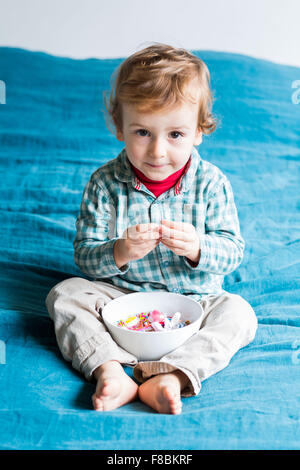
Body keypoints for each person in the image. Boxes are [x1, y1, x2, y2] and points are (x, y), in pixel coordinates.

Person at [45, 43, 258, 415]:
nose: (158, 151)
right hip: (120, 300)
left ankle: (171, 375)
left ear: (199, 131)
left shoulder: (212, 183)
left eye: (175, 134)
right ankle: (110, 369)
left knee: (239, 314)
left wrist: (198, 248)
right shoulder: (104, 184)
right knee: (65, 294)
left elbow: (232, 251)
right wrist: (119, 251)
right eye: (142, 132)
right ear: (119, 128)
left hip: (196, 302)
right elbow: (84, 256)